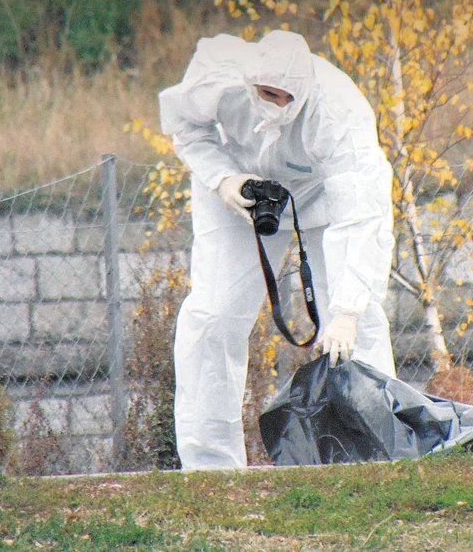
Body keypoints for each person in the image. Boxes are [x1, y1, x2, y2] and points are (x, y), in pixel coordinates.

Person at [158, 29, 396, 470]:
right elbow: (185, 129)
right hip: (241, 190)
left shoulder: (339, 110)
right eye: (266, 93)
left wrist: (345, 310)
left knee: (357, 328)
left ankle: (377, 460)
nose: (275, 103)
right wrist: (222, 179)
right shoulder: (217, 74)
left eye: (286, 96)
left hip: (321, 194)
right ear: (247, 80)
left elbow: (362, 214)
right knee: (212, 317)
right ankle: (210, 469)